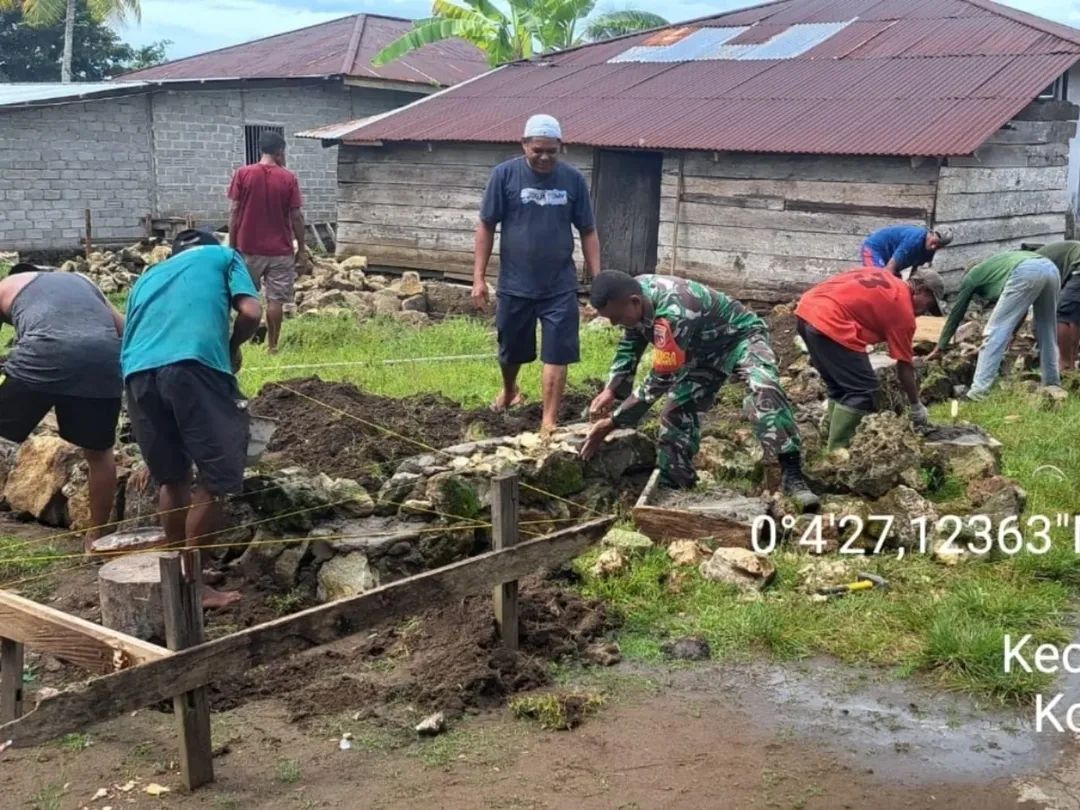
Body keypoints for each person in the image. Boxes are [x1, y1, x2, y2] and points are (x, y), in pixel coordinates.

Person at [580, 271, 819, 511]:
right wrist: (612, 389)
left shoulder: (674, 311)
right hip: (700, 352)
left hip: (740, 339)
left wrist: (613, 422)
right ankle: (676, 488)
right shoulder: (634, 295)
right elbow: (631, 345)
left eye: (616, 317)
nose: (613, 323)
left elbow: (660, 379)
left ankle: (792, 474)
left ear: (634, 301)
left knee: (764, 387)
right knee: (675, 413)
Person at [121, 229, 262, 608]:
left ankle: (182, 573)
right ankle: (195, 586)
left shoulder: (148, 275)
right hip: (193, 365)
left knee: (173, 477)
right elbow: (251, 311)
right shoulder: (224, 256)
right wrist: (232, 348)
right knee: (216, 479)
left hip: (136, 373)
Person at [473, 113, 601, 433]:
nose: (544, 157)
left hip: (560, 285)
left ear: (561, 147)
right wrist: (478, 277)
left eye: (551, 151)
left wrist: (597, 279)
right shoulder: (504, 176)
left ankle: (549, 421)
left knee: (558, 352)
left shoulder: (572, 181)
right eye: (537, 150)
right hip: (515, 283)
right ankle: (510, 390)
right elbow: (486, 225)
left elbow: (588, 230)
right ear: (524, 145)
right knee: (511, 348)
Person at [0, 263, 124, 552]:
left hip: (42, 353)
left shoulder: (6, 286)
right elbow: (124, 328)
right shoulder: (84, 281)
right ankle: (96, 539)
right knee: (100, 455)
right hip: (103, 360)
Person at [795, 267, 947, 450]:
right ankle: (838, 451)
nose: (926, 312)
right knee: (863, 391)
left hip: (807, 310)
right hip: (831, 321)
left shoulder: (885, 276)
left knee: (839, 385)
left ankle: (828, 438)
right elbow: (904, 367)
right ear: (921, 290)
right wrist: (916, 405)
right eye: (929, 305)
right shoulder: (903, 311)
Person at [928, 250, 1063, 400]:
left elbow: (956, 313)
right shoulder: (995, 270)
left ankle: (978, 393)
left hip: (1025, 271)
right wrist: (1012, 333)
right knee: (1047, 329)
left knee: (993, 331)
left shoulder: (972, 277)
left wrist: (940, 346)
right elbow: (1020, 309)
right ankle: (1052, 383)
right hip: (1051, 269)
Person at [227, 130, 310, 355]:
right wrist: (301, 248)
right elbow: (296, 216)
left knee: (244, 295)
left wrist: (232, 246)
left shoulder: (243, 174)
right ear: (279, 151)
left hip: (248, 248)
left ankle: (237, 343)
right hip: (280, 250)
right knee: (276, 301)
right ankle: (272, 347)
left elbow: (234, 211)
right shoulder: (288, 178)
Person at [1036, 240, 1080, 371]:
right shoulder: (1047, 254)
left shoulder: (1030, 263)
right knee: (1074, 314)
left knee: (1062, 315)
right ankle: (1072, 361)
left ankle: (1065, 364)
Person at [861, 224, 952, 277]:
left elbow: (915, 271)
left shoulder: (929, 252)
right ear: (930, 233)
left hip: (889, 257)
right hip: (874, 248)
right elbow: (889, 269)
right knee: (878, 279)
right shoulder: (914, 241)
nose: (933, 247)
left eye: (938, 247)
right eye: (934, 242)